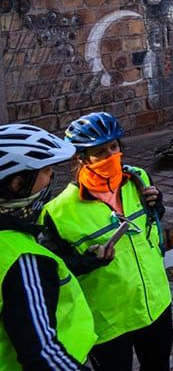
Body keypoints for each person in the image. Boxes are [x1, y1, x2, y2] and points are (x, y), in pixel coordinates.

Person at [42, 113, 172, 370]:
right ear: (80, 158)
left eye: (114, 147)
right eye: (100, 152)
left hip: (155, 305)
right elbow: (54, 271)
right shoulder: (58, 212)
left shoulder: (139, 179)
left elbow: (151, 224)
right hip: (108, 321)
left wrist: (158, 206)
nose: (111, 156)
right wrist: (84, 262)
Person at [0, 123, 98, 371]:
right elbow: (43, 356)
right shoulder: (23, 260)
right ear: (16, 183)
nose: (52, 176)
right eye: (45, 170)